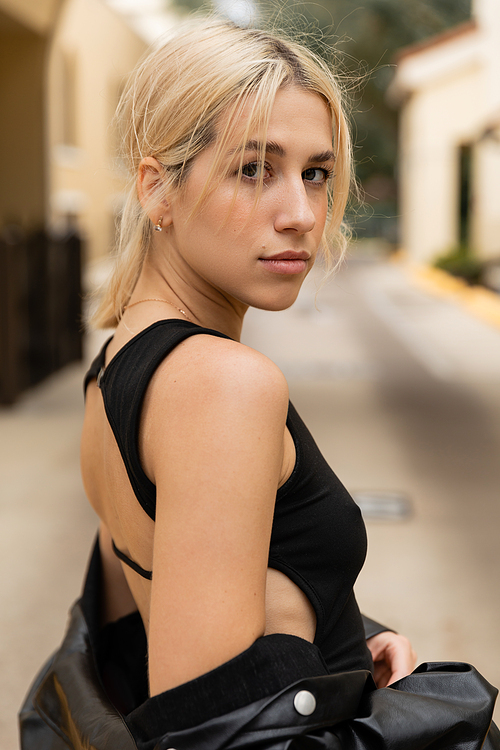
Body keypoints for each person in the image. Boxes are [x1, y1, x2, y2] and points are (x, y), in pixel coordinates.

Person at [20, 16, 499, 750]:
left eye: (315, 173)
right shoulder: (222, 386)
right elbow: (207, 730)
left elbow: (168, 605)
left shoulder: (116, 365)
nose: (302, 214)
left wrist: (340, 642)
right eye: (254, 169)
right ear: (158, 190)